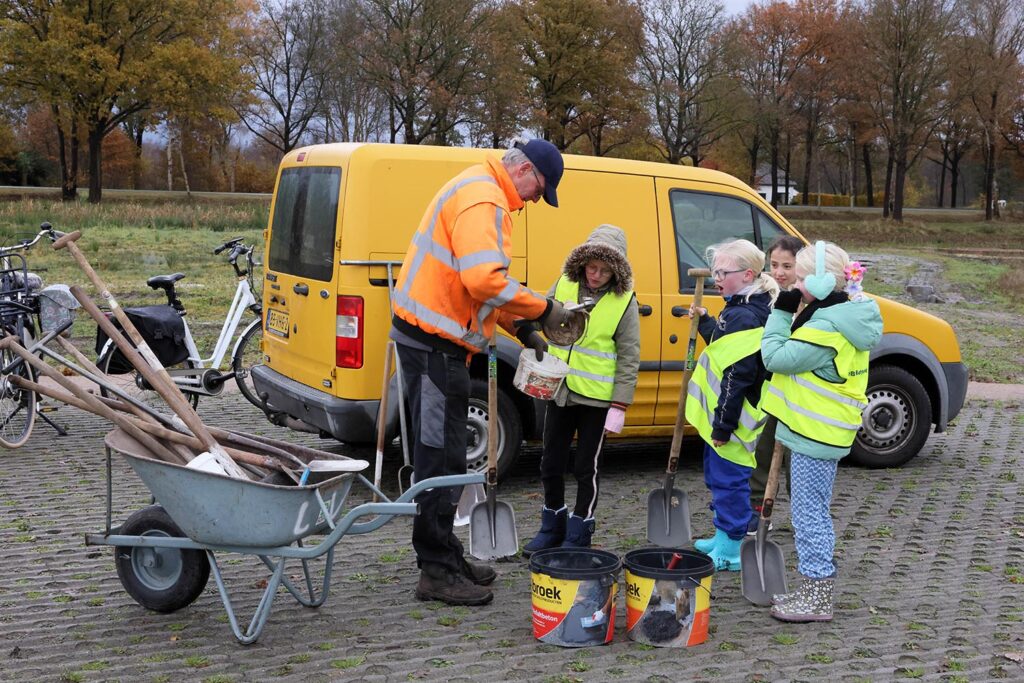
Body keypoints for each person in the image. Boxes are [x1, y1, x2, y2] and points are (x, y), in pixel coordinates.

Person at [389, 138, 587, 606]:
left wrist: (522, 328)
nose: (537, 200)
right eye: (541, 189)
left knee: (451, 456)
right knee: (439, 456)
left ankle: (446, 554)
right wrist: (544, 309)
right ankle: (435, 571)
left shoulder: (479, 187)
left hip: (437, 344)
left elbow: (475, 288)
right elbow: (484, 280)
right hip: (434, 346)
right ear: (526, 173)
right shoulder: (486, 199)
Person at [760, 241, 881, 622]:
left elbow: (775, 357)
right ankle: (814, 590)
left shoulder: (828, 327)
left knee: (809, 514)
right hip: (820, 430)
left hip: (817, 433)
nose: (793, 284)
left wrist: (780, 311)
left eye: (799, 278)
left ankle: (817, 596)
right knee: (814, 510)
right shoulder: (845, 313)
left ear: (822, 281)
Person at [521, 225, 640, 555]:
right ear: (583, 262)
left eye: (604, 270)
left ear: (615, 271)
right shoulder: (564, 284)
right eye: (592, 267)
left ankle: (580, 529)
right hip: (560, 389)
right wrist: (523, 325)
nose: (596, 275)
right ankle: (552, 525)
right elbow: (539, 311)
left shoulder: (624, 302)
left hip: (598, 400)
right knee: (550, 461)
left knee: (587, 467)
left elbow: (630, 354)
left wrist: (620, 404)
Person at [685, 239, 779, 571]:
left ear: (748, 273)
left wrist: (723, 426)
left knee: (729, 479)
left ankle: (731, 547)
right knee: (719, 475)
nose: (716, 279)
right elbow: (728, 348)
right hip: (730, 414)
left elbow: (737, 376)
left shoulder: (744, 315)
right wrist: (710, 323)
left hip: (735, 416)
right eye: (715, 272)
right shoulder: (743, 307)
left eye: (723, 272)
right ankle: (724, 532)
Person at [747, 234, 804, 533]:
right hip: (771, 391)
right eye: (774, 265)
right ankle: (759, 513)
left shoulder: (809, 302)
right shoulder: (767, 297)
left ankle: (803, 516)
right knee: (763, 451)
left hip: (800, 396)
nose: (780, 272)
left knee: (797, 458)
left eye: (787, 266)